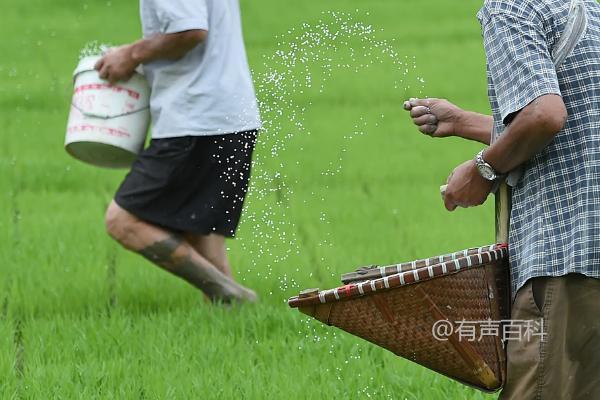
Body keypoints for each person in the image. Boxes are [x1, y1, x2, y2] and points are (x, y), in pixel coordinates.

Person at [403, 0, 599, 398]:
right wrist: (464, 122)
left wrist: (482, 171)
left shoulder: (511, 6)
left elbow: (545, 116)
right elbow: (578, 123)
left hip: (567, 257)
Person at [96, 0, 260, 304]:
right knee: (202, 238)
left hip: (195, 120)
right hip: (228, 116)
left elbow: (190, 30)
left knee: (123, 221)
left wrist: (131, 55)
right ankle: (230, 315)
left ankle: (230, 295)